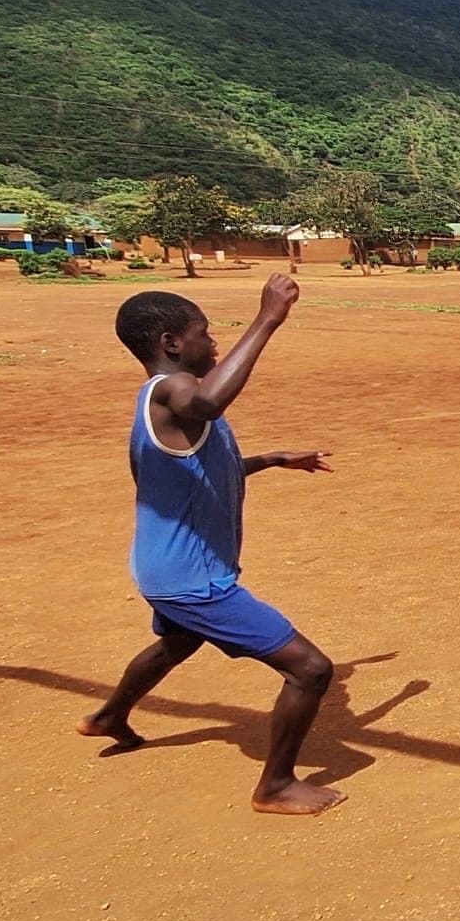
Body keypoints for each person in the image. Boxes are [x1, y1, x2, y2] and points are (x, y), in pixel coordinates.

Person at [78, 274, 347, 816]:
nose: (214, 342)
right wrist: (268, 317)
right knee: (312, 670)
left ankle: (108, 716)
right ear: (171, 344)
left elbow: (208, 471)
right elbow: (207, 403)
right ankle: (275, 786)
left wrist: (270, 460)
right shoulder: (175, 393)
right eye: (205, 333)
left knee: (178, 643)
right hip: (190, 578)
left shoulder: (167, 406)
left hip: (165, 567)